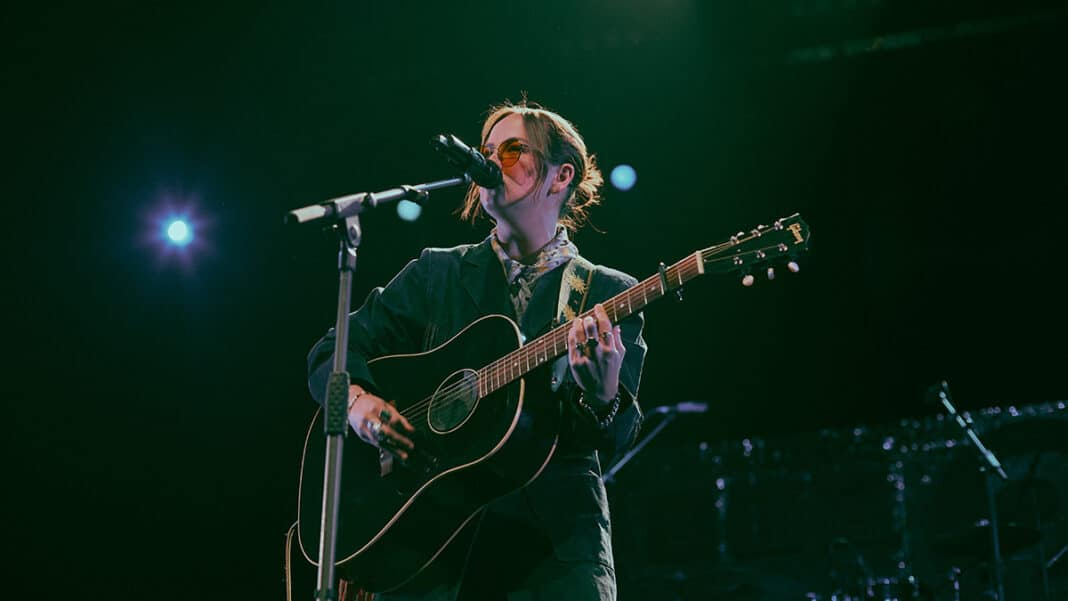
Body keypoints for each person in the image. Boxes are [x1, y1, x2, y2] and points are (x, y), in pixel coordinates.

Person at [306, 100, 648, 601]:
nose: (490, 162)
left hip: (552, 561)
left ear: (559, 176)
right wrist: (361, 408)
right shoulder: (436, 274)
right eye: (487, 152)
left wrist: (602, 395)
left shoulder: (605, 293)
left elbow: (615, 439)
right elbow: (331, 353)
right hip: (432, 555)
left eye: (512, 151)